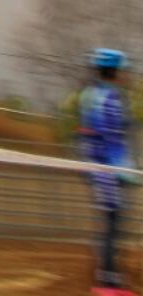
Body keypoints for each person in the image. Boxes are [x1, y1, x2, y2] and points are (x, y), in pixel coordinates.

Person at [78, 47, 135, 295]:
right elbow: (111, 137)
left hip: (97, 166)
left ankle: (106, 277)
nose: (126, 74)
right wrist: (126, 170)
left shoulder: (89, 94)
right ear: (115, 70)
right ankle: (109, 282)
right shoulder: (111, 98)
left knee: (109, 223)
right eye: (123, 70)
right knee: (113, 223)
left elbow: (87, 134)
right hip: (110, 169)